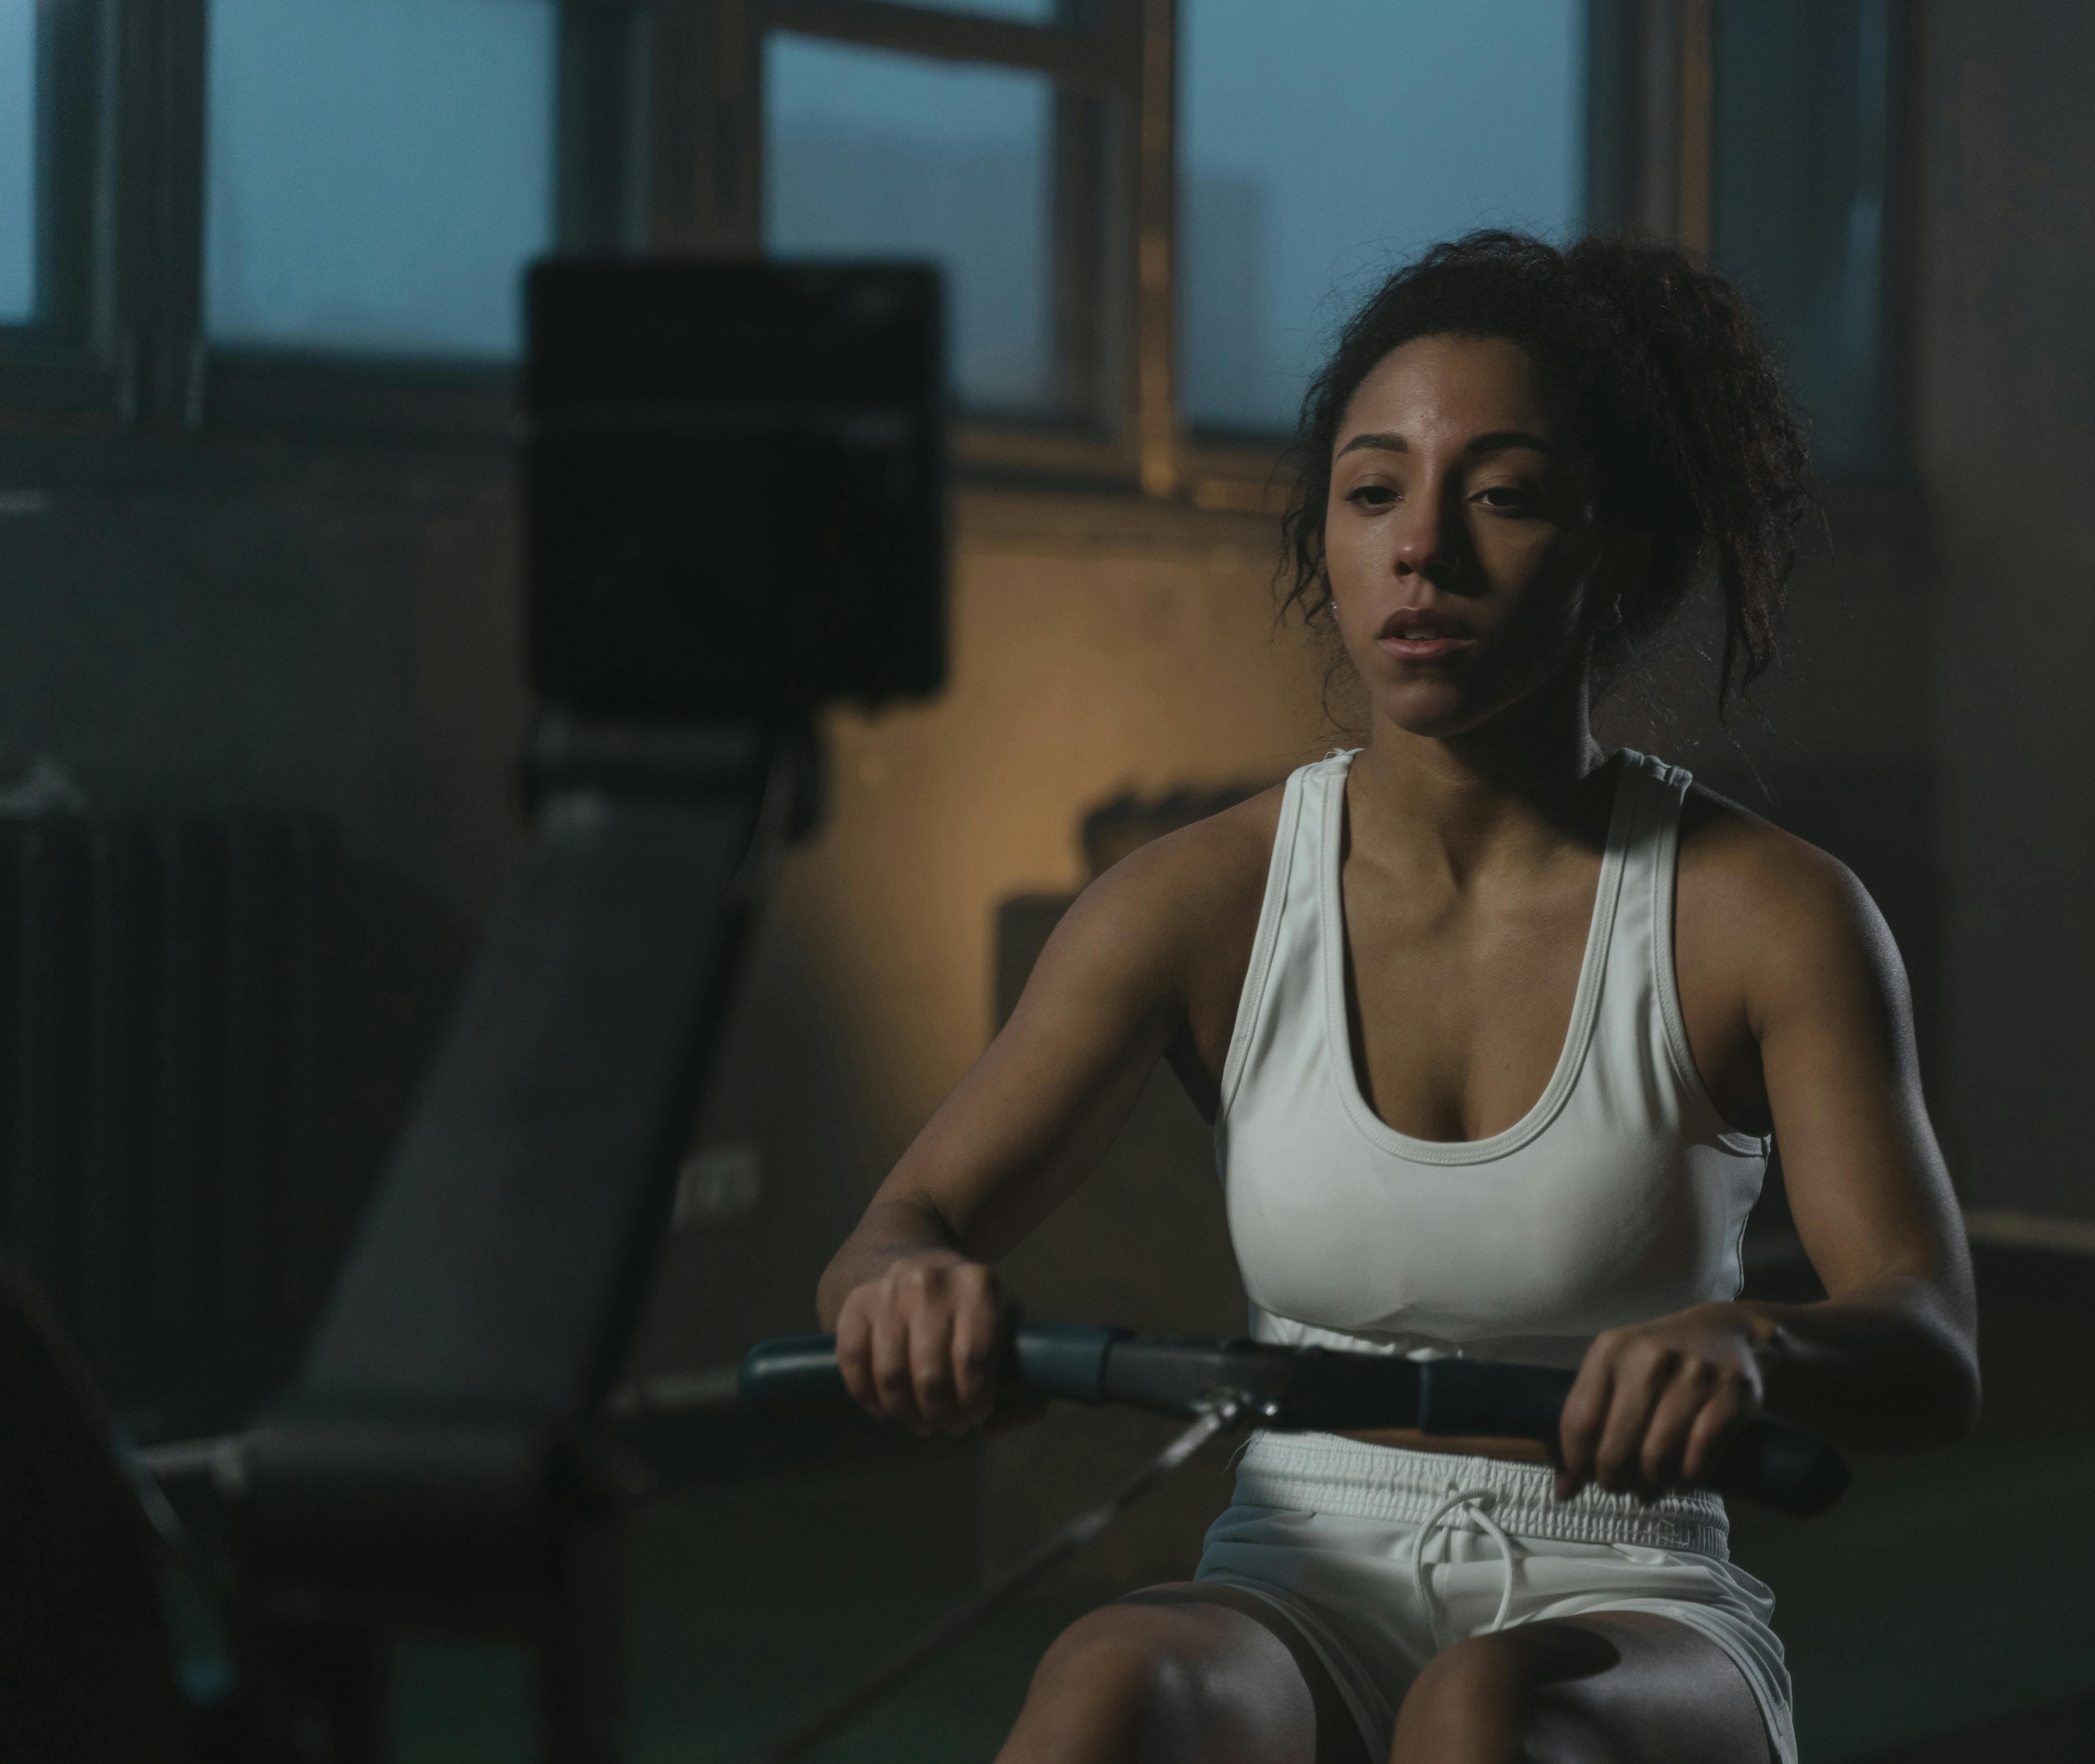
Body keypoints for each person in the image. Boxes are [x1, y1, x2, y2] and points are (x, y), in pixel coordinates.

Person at [817, 231, 1978, 1764]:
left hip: (1630, 1595)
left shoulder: (1770, 915)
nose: (1422, 549)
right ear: (1330, 539)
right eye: (1374, 494)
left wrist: (1757, 1339)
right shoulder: (1195, 904)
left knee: (1478, 1713)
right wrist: (908, 1291)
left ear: (1611, 549)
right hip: (1296, 1584)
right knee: (1110, 1678)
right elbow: (887, 1242)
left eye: (1498, 495)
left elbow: (1930, 1344)